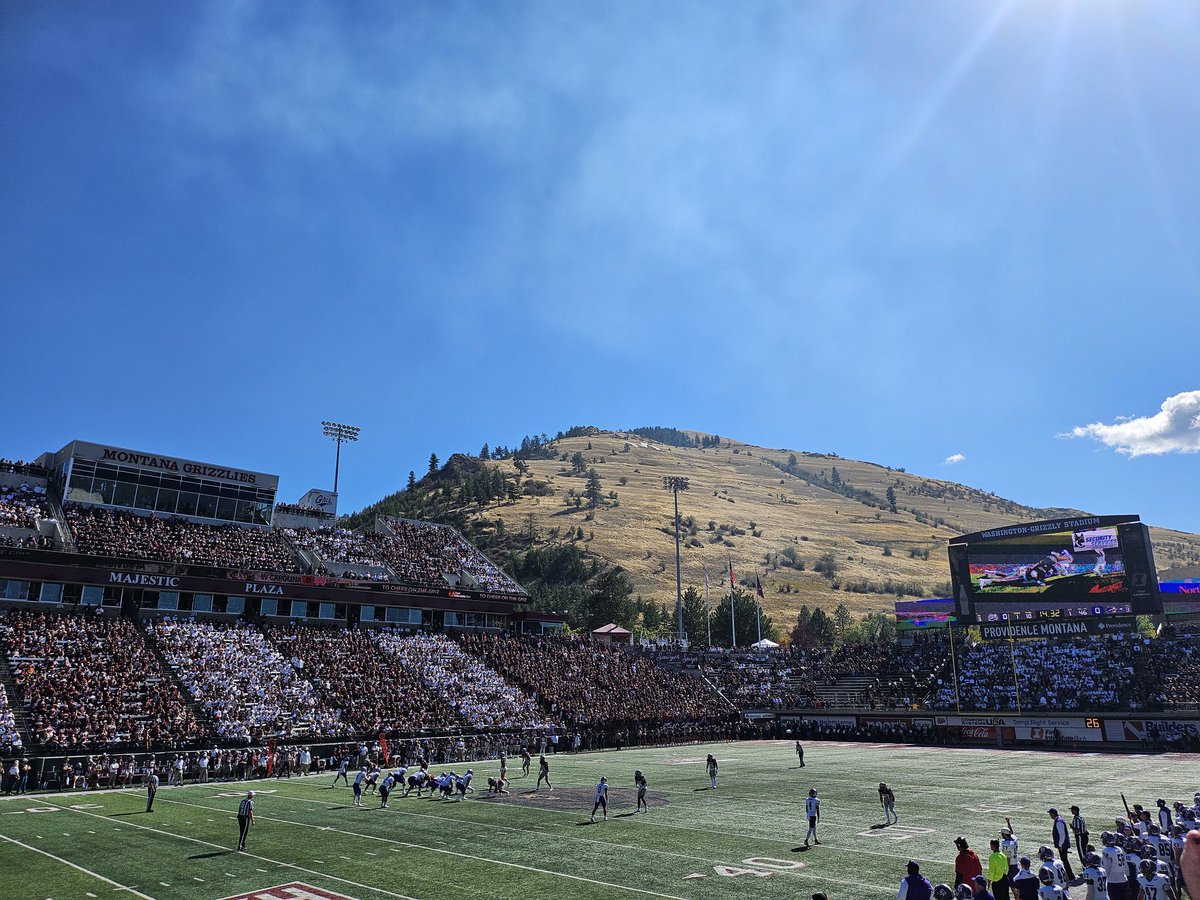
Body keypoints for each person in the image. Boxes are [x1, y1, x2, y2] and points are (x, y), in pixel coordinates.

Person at [1102, 832, 1129, 900]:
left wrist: (1105, 876)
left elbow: (1107, 866)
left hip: (1114, 880)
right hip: (1123, 878)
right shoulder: (1119, 849)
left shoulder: (1107, 850)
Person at [1051, 809, 1077, 881]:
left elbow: (1062, 834)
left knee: (1064, 860)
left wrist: (1060, 845)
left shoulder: (1058, 821)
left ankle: (1070, 876)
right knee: (1064, 860)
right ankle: (1069, 876)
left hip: (1062, 845)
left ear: (1052, 814)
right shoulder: (1059, 820)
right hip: (1063, 844)